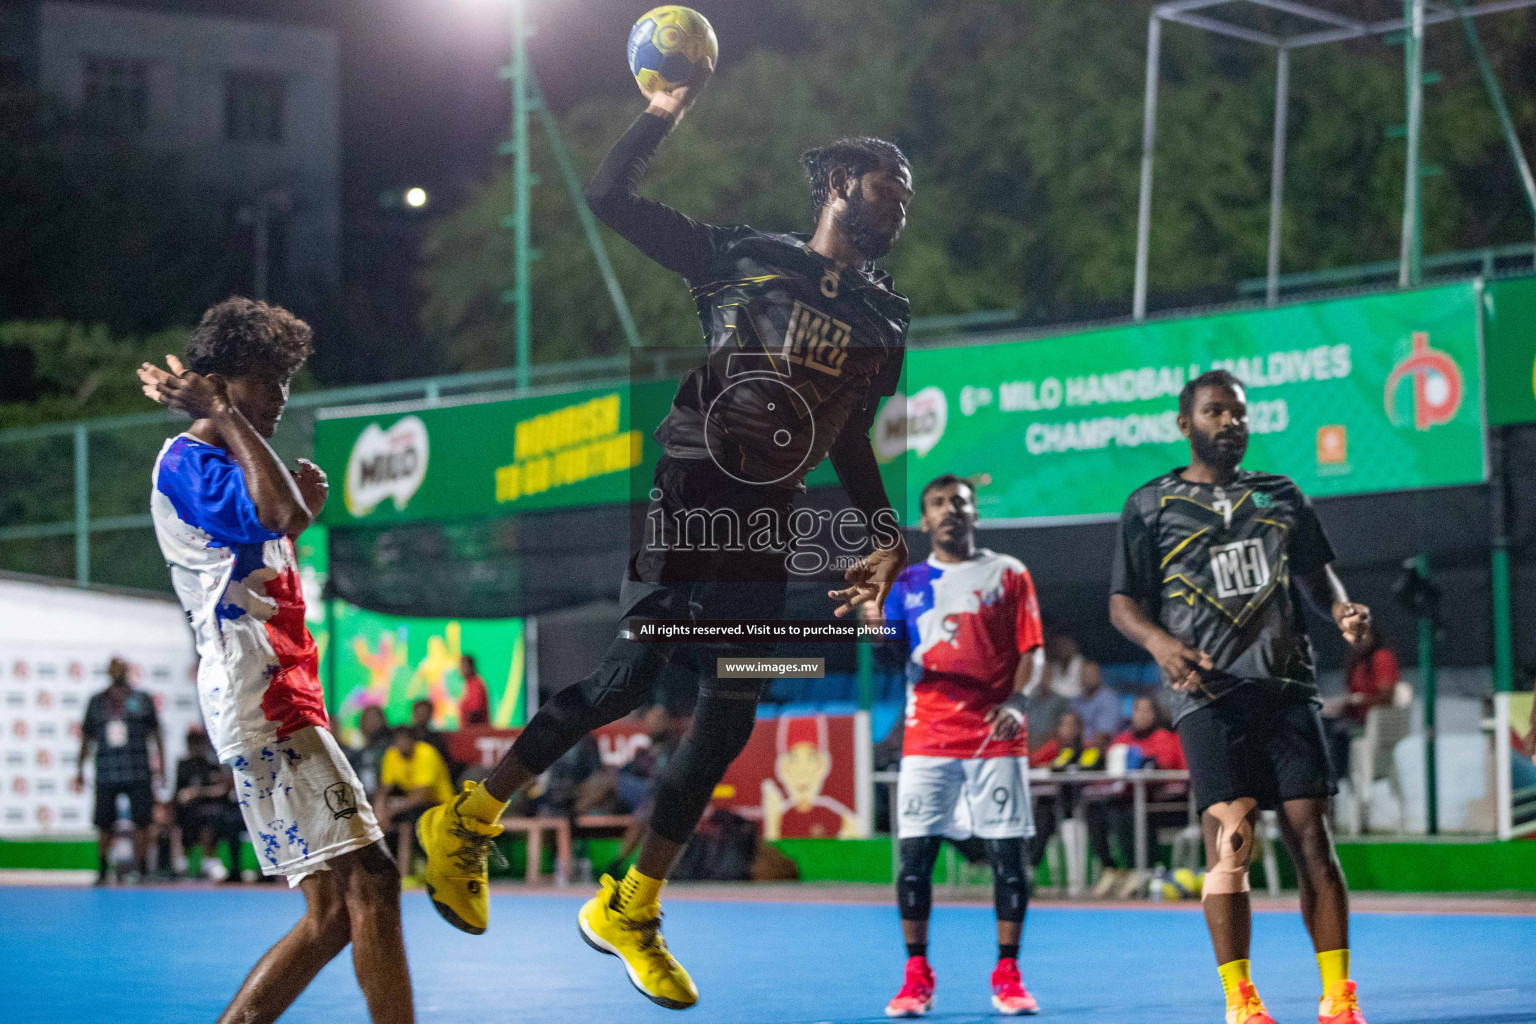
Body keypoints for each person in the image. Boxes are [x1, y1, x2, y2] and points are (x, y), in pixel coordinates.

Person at [415, 56, 912, 1011]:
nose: (902, 207)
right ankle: (468, 823)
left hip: (770, 522)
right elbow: (608, 196)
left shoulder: (886, 317)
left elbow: (849, 438)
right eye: (891, 185)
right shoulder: (744, 254)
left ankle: (629, 908)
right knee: (628, 681)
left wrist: (884, 531)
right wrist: (660, 114)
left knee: (729, 717)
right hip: (694, 487)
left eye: (909, 198)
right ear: (845, 182)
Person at [138, 297, 414, 1024]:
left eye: (287, 379)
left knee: (332, 915)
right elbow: (275, 514)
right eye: (267, 379)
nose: (283, 396)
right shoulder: (191, 461)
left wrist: (291, 499)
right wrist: (225, 415)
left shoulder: (229, 457)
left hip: (282, 692)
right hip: (262, 699)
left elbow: (268, 535)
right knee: (375, 882)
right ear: (222, 382)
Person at [1109, 369, 1371, 1024]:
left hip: (1286, 685)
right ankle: (1240, 999)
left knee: (1313, 837)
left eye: (1240, 413)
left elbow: (1316, 575)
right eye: (1216, 411)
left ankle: (1338, 996)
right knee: (1232, 843)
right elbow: (1122, 604)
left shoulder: (1280, 495)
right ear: (1185, 423)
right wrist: (1161, 646)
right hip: (1207, 694)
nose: (1231, 423)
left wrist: (1341, 612)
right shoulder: (1150, 505)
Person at [881, 474, 1044, 1017]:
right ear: (924, 521)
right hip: (927, 737)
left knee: (1009, 861)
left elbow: (1032, 650)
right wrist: (868, 618)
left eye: (961, 502)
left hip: (995, 737)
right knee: (913, 862)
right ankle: (916, 975)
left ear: (975, 514)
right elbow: (889, 658)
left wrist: (1018, 703)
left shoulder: (1009, 574)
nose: (951, 509)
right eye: (939, 504)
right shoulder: (907, 583)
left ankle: (1008, 973)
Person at [1084, 695, 1188, 898]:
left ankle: (1140, 870)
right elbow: (1112, 763)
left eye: (1145, 710)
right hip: (1127, 797)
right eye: (1136, 710)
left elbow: (1168, 768)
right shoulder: (1124, 738)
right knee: (1094, 810)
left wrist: (1146, 762)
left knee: (1129, 814)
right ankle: (1112, 869)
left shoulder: (1164, 737)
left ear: (1154, 713)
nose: (1140, 715)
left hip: (1163, 804)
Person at [77, 656, 164, 885]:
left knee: (142, 822)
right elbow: (87, 738)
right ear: (108, 671)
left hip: (138, 770)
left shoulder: (142, 699)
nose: (118, 672)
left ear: (127, 671)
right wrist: (79, 768)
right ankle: (103, 869)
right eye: (113, 668)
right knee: (104, 823)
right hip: (107, 771)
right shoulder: (97, 701)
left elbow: (157, 735)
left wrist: (161, 767)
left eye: (121, 668)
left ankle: (141, 869)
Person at [376, 725, 456, 876]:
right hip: (409, 804)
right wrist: (379, 811)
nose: (401, 745)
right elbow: (385, 789)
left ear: (413, 742)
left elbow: (423, 795)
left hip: (439, 805)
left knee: (413, 819)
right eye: (398, 741)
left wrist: (391, 812)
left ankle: (419, 868)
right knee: (379, 822)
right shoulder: (392, 754)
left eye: (405, 741)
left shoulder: (426, 753)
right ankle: (386, 871)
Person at [1321, 630, 1400, 780]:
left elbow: (1386, 697)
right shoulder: (1358, 662)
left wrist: (1357, 699)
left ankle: (1336, 782)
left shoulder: (1381, 657)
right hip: (1355, 718)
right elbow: (1351, 695)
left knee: (1336, 734)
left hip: (1372, 723)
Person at [1026, 710, 1097, 868]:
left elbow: (1090, 768)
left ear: (1080, 729)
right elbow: (1030, 762)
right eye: (1064, 725)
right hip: (1055, 806)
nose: (1068, 729)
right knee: (1042, 816)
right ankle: (1030, 867)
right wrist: (1046, 766)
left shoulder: (1088, 749)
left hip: (1081, 804)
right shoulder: (1053, 747)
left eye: (1072, 725)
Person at [174, 726, 243, 882]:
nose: (196, 745)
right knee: (184, 817)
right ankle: (185, 863)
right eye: (192, 742)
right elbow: (179, 793)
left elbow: (223, 788)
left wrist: (198, 793)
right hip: (190, 812)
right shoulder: (183, 765)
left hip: (214, 810)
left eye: (199, 741)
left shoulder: (212, 764)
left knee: (212, 818)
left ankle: (210, 860)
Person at [1069, 658, 1122, 750]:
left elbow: (1103, 737)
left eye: (1093, 674)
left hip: (1099, 752)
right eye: (1086, 674)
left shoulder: (1108, 699)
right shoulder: (1075, 701)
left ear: (1100, 676)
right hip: (1074, 749)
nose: (1089, 677)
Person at [348, 705, 394, 797]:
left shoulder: (391, 749)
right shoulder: (357, 755)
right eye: (368, 719)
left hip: (385, 797)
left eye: (375, 718)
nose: (372, 722)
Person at [458, 654, 490, 727]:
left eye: (462, 666)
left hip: (476, 731)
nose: (459, 669)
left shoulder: (476, 684)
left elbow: (475, 710)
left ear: (470, 667)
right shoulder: (468, 684)